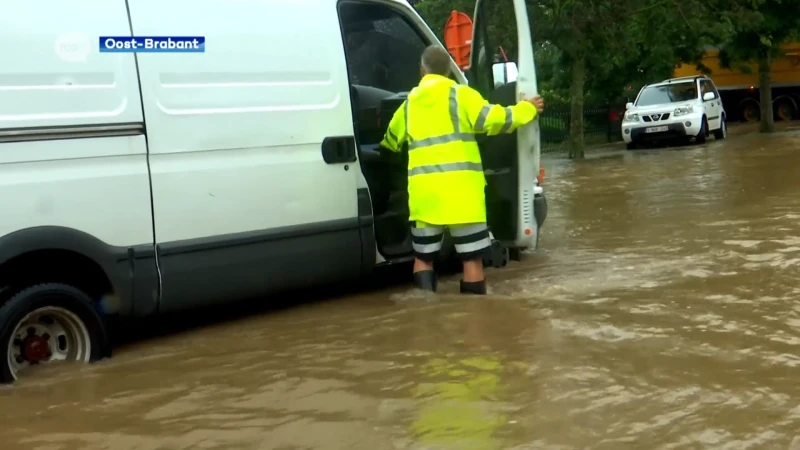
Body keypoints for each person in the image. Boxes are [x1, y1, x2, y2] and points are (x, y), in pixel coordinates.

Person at [379, 45, 544, 295]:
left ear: (422, 70)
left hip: (426, 199)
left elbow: (389, 142)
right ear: (448, 71)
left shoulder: (408, 105)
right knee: (471, 259)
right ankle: (473, 321)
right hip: (463, 198)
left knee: (424, 258)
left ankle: (425, 312)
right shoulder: (461, 95)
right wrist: (528, 108)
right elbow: (496, 119)